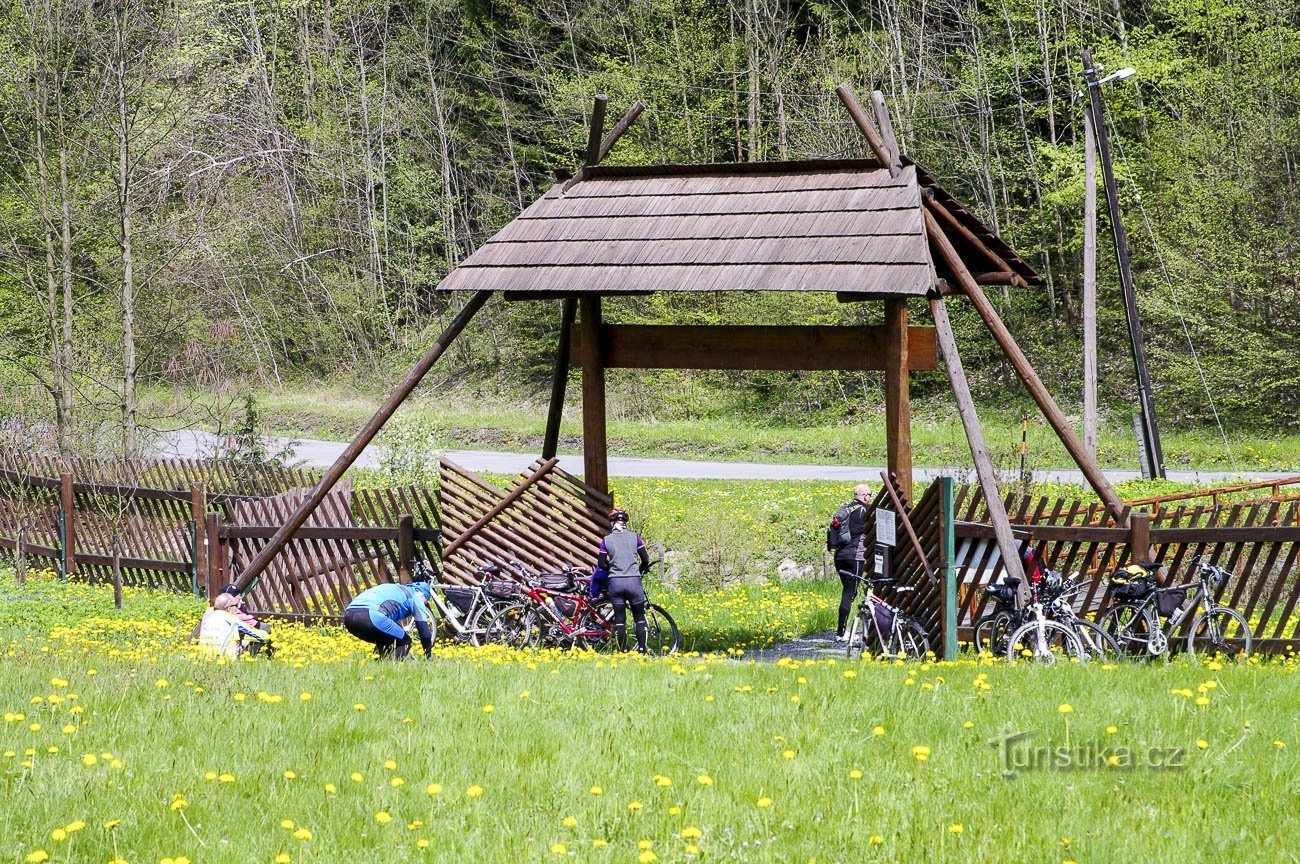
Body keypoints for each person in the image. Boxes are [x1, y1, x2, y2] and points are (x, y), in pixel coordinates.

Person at [595, 508, 651, 653]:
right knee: (639, 617)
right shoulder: (635, 537)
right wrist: (639, 569)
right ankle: (642, 650)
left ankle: (623, 651)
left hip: (615, 582)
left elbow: (601, 564)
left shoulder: (606, 540)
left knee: (620, 619)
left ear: (612, 523)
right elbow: (645, 559)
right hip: (633, 581)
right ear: (625, 522)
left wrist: (612, 569)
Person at [343, 577, 436, 659]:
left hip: (349, 616)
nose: (424, 605)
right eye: (425, 602)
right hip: (371, 615)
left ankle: (377, 668)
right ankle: (392, 670)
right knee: (405, 641)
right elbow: (425, 633)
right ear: (423, 595)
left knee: (387, 639)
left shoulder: (398, 590)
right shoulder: (415, 596)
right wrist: (427, 656)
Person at [828, 484, 872, 642]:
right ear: (865, 496)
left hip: (840, 557)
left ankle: (841, 631)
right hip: (855, 557)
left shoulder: (846, 509)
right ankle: (841, 633)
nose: (870, 498)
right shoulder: (863, 511)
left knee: (847, 591)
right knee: (850, 593)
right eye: (870, 495)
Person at [197, 593, 272, 658]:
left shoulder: (208, 619)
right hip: (226, 659)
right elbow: (260, 636)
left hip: (205, 658)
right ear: (229, 608)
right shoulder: (231, 619)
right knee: (261, 639)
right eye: (235, 605)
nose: (237, 608)